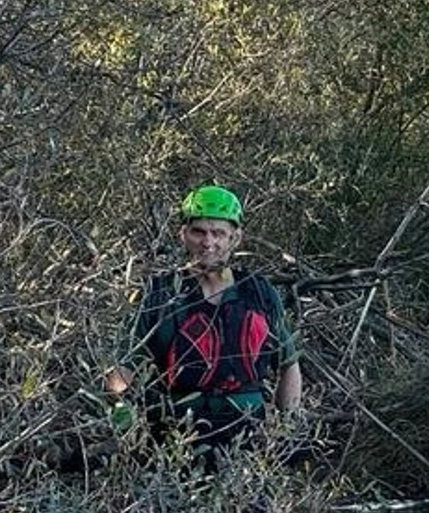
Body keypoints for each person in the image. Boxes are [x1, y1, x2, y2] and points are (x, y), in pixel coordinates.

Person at [105, 184, 303, 451]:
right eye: (198, 231)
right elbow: (123, 369)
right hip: (176, 435)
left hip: (247, 434)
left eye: (218, 233)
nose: (208, 243)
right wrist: (125, 429)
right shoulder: (157, 294)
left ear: (235, 237)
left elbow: (288, 363)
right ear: (183, 235)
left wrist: (287, 430)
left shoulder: (258, 291)